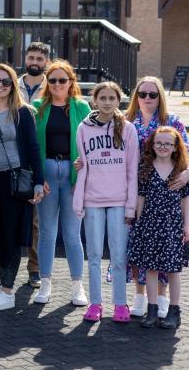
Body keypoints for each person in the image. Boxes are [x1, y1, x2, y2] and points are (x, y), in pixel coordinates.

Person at [0, 65, 44, 313]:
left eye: (6, 82)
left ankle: (7, 290)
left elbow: (34, 149)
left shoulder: (23, 113)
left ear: (13, 85)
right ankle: (4, 284)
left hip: (14, 180)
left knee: (11, 235)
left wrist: (38, 180)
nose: (1, 85)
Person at [72, 82, 138, 323]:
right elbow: (83, 165)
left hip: (120, 201)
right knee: (95, 254)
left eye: (112, 98)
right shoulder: (83, 128)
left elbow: (132, 169)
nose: (107, 102)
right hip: (93, 200)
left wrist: (131, 205)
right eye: (103, 98)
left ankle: (120, 304)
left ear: (118, 100)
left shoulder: (127, 129)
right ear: (95, 100)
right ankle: (95, 303)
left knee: (119, 256)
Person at [125, 76, 189, 318]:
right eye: (143, 94)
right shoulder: (127, 122)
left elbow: (186, 152)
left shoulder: (172, 122)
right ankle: (140, 296)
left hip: (168, 192)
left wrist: (187, 174)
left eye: (153, 94)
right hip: (135, 191)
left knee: (165, 249)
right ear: (136, 97)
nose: (148, 99)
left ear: (160, 97)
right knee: (138, 244)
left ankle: (161, 298)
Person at [31, 60, 91, 306]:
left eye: (62, 80)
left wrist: (83, 177)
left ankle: (77, 286)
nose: (57, 84)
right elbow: (32, 146)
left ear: (71, 83)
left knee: (72, 234)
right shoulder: (37, 107)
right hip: (46, 173)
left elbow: (90, 144)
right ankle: (45, 283)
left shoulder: (81, 107)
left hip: (72, 174)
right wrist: (38, 177)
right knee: (46, 232)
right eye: (52, 80)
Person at [18, 41, 50, 288]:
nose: (35, 62)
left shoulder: (54, 86)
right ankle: (6, 267)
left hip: (41, 158)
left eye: (40, 59)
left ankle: (35, 268)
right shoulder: (11, 83)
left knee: (37, 221)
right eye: (32, 57)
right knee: (11, 216)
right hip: (15, 158)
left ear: (46, 62)